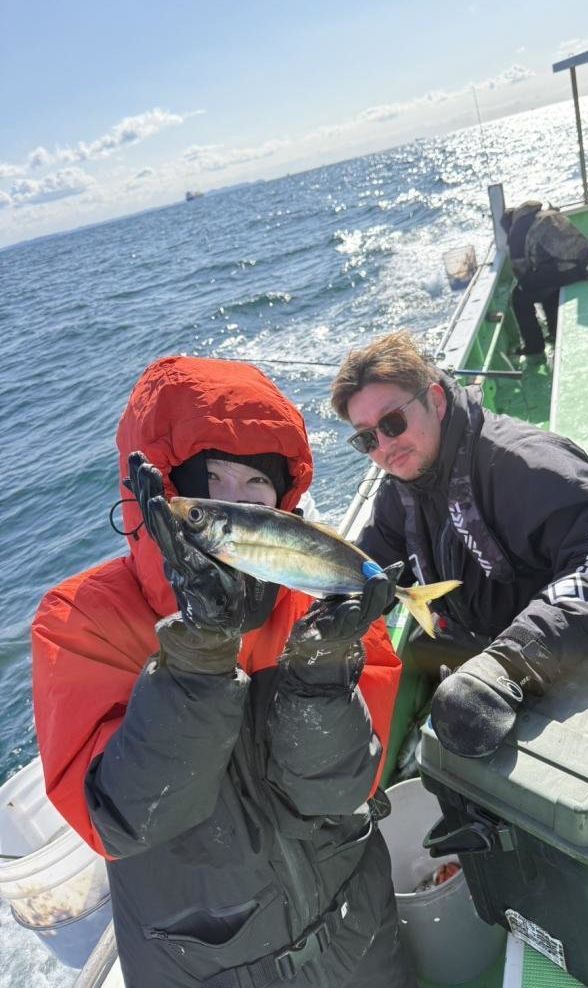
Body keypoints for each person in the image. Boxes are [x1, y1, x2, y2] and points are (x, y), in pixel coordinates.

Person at [32, 356, 416, 988]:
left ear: (280, 504)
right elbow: (123, 822)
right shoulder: (80, 621)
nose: (235, 502)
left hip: (358, 932)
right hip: (202, 969)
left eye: (256, 485)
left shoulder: (321, 603)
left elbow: (343, 790)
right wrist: (199, 653)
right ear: (168, 490)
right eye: (212, 480)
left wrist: (320, 675)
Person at [330, 331, 588, 759]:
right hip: (499, 656)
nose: (385, 446)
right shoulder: (402, 488)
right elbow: (368, 565)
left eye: (393, 422)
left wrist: (510, 661)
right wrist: (325, 608)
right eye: (367, 439)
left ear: (436, 401)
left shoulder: (521, 462)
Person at [501, 200, 588, 354]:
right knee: (545, 280)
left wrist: (525, 284)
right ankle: (554, 330)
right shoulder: (544, 214)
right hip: (586, 261)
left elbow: (521, 271)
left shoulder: (516, 230)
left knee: (520, 296)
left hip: (569, 269)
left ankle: (534, 346)